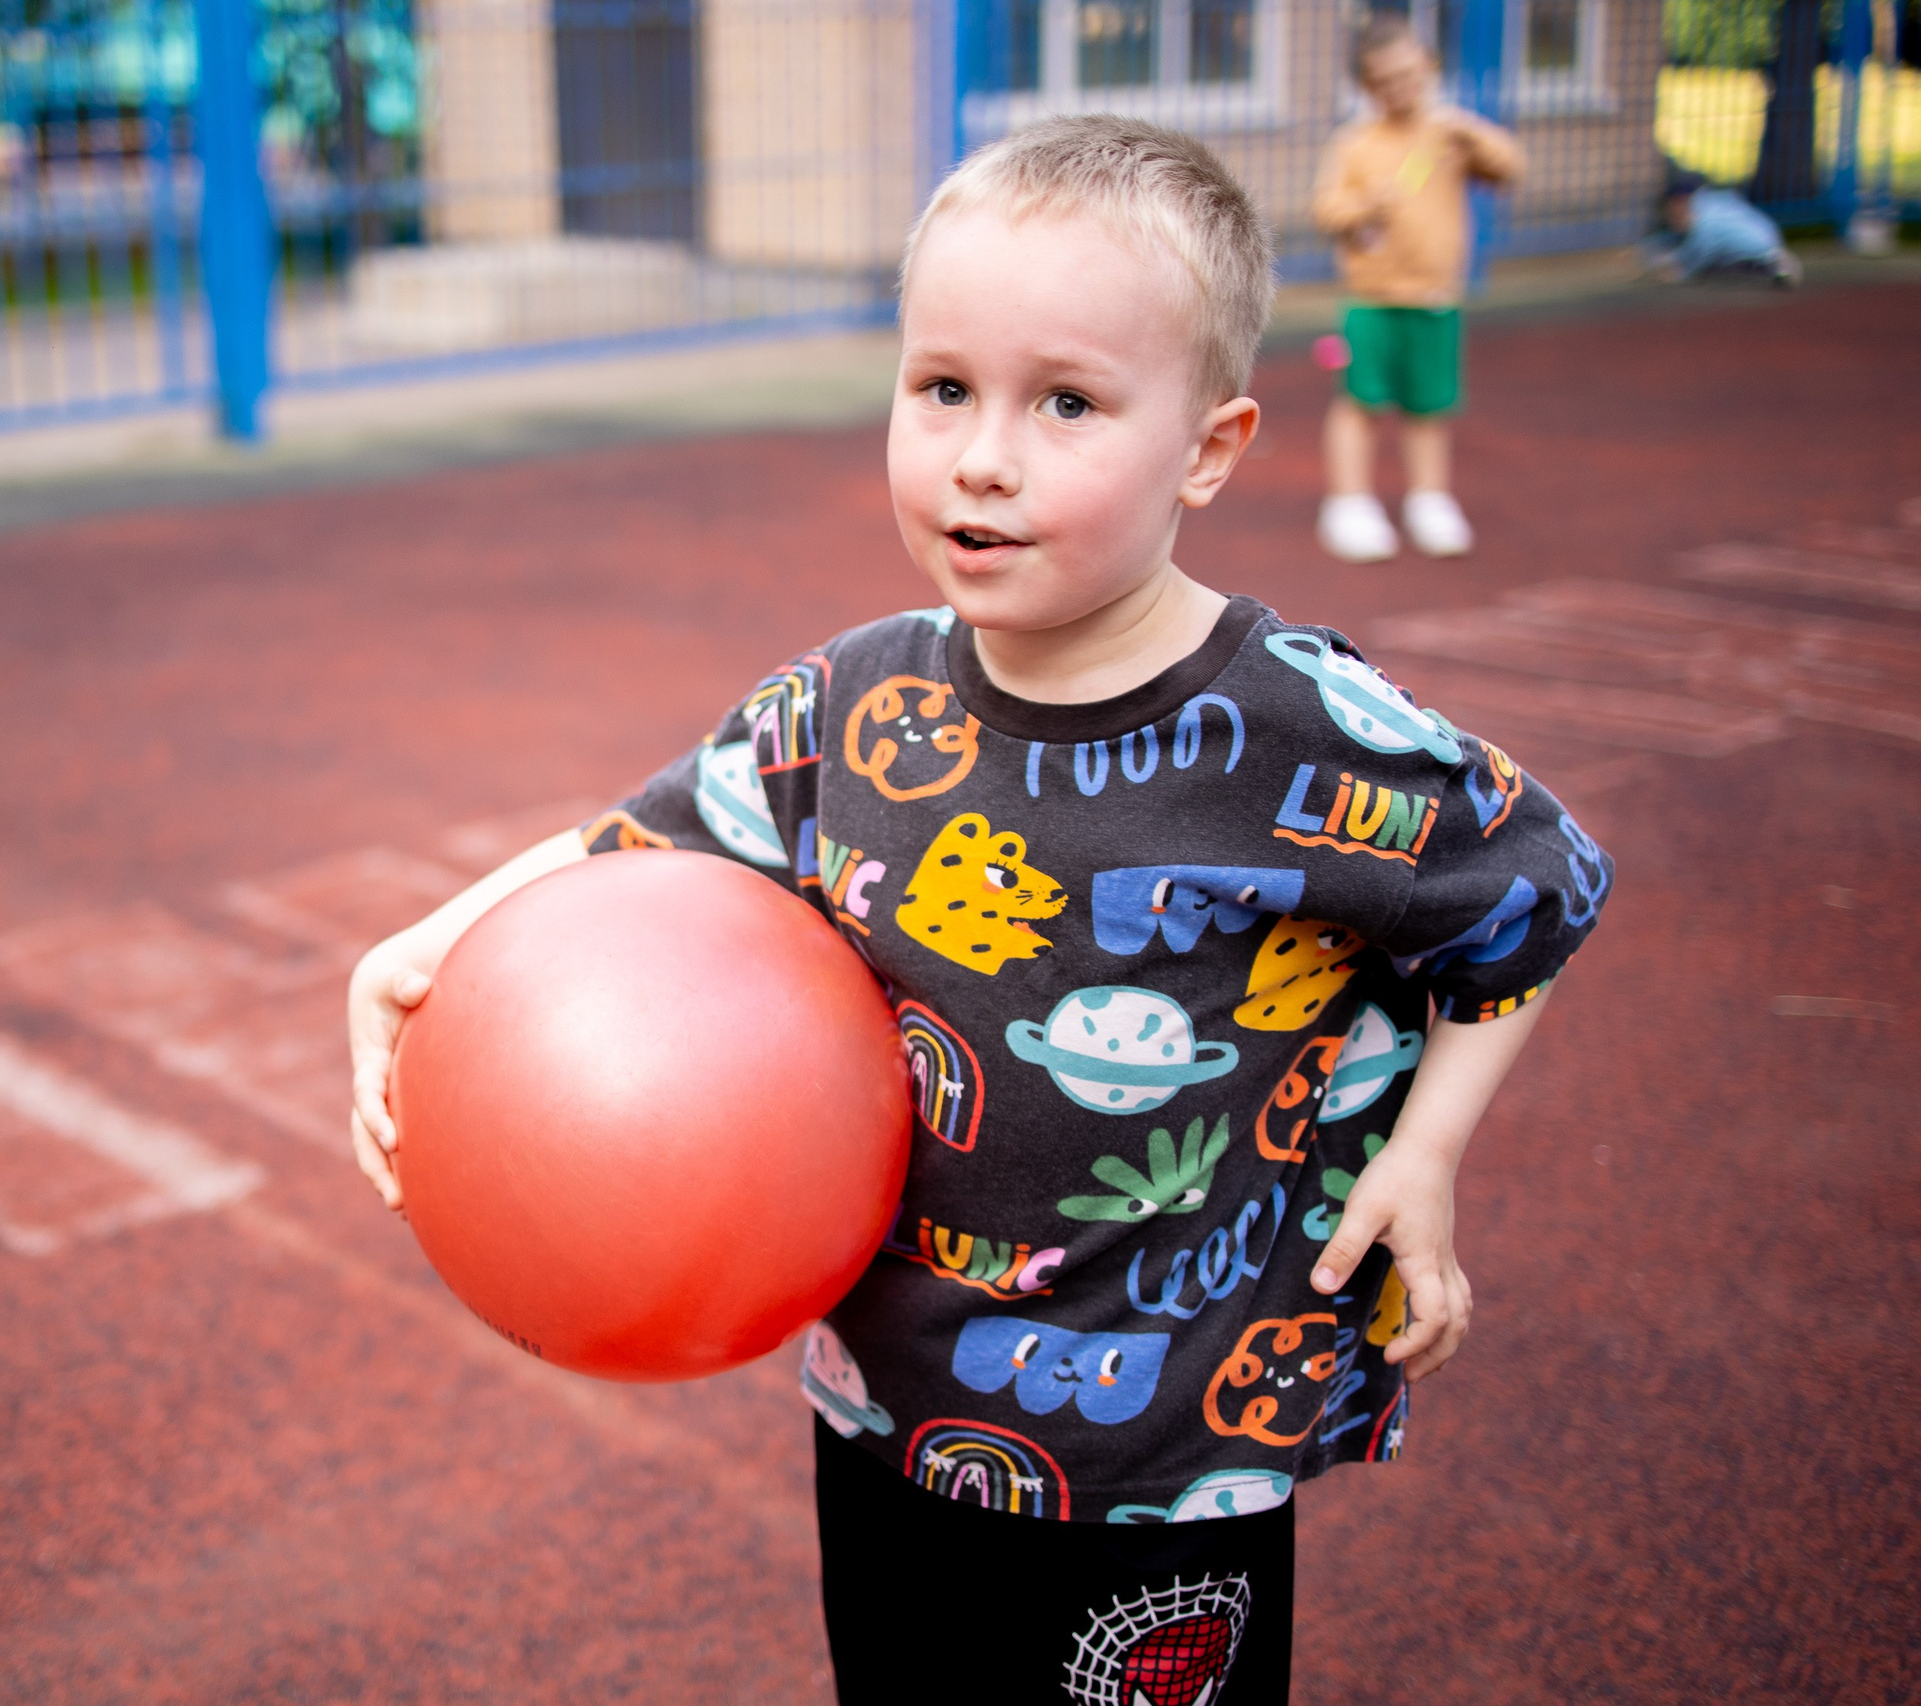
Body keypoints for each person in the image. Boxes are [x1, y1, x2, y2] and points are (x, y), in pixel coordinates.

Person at [348, 115, 1611, 1703]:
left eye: (1066, 403)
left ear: (1209, 447)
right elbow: (641, 843)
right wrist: (424, 944)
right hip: (886, 1417)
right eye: (942, 387)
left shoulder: (1299, 731)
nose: (982, 456)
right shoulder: (854, 705)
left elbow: (1534, 892)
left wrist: (1425, 1155)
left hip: (1168, 1465)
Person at [1310, 15, 1525, 563]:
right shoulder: (1356, 143)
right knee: (1360, 401)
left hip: (1435, 298)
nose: (1399, 89)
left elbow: (1508, 167)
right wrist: (1366, 206)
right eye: (1385, 81)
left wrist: (1469, 131)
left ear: (1429, 68)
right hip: (1372, 300)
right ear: (1367, 86)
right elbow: (1327, 209)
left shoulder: (1450, 137)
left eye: (1408, 75)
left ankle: (1429, 499)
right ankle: (1349, 502)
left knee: (1428, 407)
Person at [1647, 167, 1804, 286]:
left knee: (1713, 266)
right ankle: (1774, 261)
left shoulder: (1704, 220)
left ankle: (1774, 262)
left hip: (1757, 249)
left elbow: (1697, 254)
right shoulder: (1714, 200)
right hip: (1769, 236)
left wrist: (1675, 269)